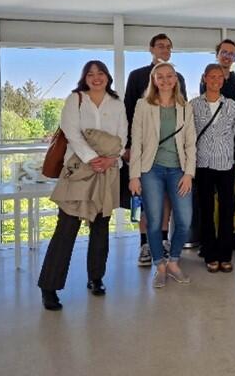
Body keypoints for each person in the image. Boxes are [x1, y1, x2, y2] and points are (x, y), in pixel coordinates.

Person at [38, 60, 127, 311]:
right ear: (84, 78)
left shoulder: (117, 103)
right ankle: (49, 287)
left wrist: (111, 159)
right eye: (90, 74)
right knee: (67, 227)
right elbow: (71, 132)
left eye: (100, 73)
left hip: (108, 170)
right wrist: (92, 159)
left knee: (101, 226)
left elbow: (123, 136)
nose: (96, 78)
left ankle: (96, 278)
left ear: (107, 76)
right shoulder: (75, 99)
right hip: (78, 170)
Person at [129, 62, 196, 288]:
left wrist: (189, 173)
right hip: (151, 170)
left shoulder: (185, 107)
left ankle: (174, 262)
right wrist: (134, 176)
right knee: (154, 221)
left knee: (184, 220)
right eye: (160, 76)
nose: (165, 80)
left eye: (170, 76)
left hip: (179, 170)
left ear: (175, 79)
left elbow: (190, 143)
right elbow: (136, 142)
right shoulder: (143, 105)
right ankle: (160, 266)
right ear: (154, 80)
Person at [124, 33, 187, 267]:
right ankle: (145, 244)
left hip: (172, 155)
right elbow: (128, 111)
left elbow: (183, 113)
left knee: (167, 200)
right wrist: (128, 146)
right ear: (150, 49)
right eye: (160, 46)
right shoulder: (137, 75)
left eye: (169, 47)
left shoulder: (178, 77)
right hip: (145, 153)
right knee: (146, 201)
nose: (165, 50)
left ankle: (162, 240)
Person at [200, 38, 235, 252]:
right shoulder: (208, 77)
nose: (227, 56)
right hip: (208, 150)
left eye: (231, 53)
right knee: (208, 198)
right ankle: (208, 240)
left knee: (229, 196)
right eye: (224, 52)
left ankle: (230, 236)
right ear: (217, 54)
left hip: (232, 145)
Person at [191, 64, 235, 272]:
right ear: (204, 78)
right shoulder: (193, 105)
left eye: (219, 77)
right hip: (202, 163)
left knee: (227, 209)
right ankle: (209, 252)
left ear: (223, 80)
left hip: (226, 163)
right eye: (212, 76)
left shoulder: (231, 105)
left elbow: (233, 132)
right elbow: (190, 134)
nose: (216, 80)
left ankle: (225, 253)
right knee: (206, 209)